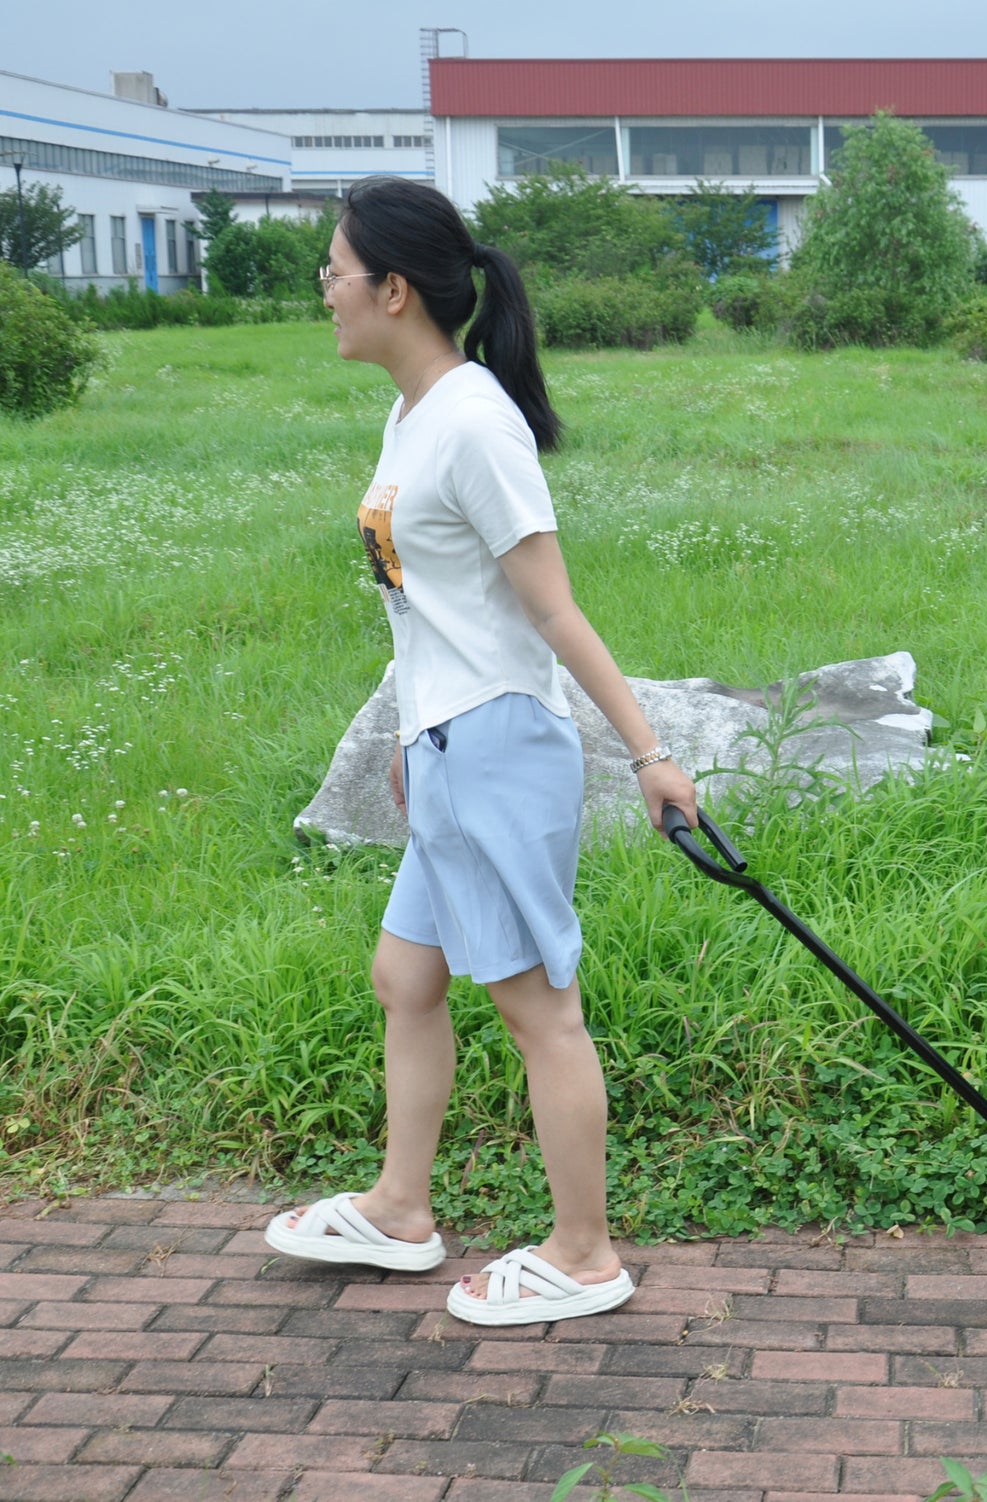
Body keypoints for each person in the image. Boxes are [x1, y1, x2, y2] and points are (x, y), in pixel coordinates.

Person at [264, 177, 697, 1327]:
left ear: (393, 290)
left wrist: (650, 753)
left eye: (335, 270)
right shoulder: (413, 415)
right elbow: (432, 611)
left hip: (499, 746)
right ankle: (401, 1206)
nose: (324, 288)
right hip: (448, 747)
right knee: (405, 976)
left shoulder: (473, 422)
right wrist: (411, 735)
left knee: (538, 1009)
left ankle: (584, 1252)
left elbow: (551, 609)